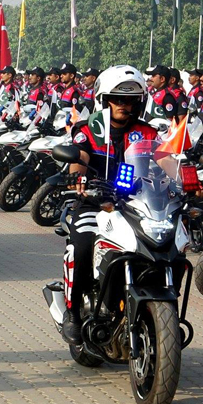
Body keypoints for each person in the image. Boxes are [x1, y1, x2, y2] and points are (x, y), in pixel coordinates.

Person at [61, 65, 158, 345]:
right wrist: (79, 177)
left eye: (130, 100)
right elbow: (78, 156)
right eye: (118, 99)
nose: (124, 105)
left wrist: (188, 179)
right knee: (82, 245)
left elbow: (165, 159)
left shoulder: (147, 132)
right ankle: (73, 311)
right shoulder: (89, 129)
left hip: (136, 206)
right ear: (104, 100)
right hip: (93, 203)